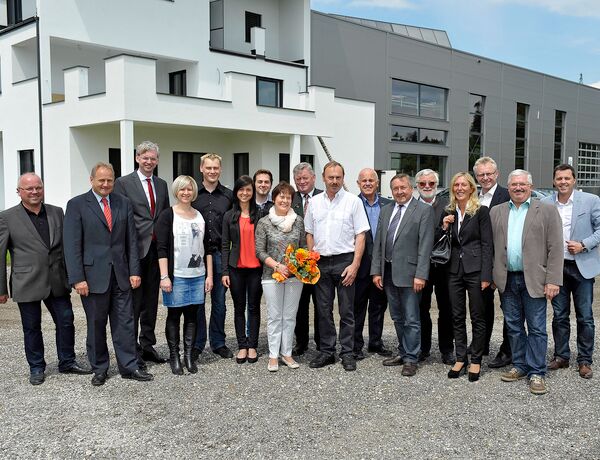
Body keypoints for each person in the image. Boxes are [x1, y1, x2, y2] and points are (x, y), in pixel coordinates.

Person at [64, 162, 153, 386]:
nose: (105, 184)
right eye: (101, 180)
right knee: (96, 324)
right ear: (91, 180)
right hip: (92, 278)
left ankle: (129, 366)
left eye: (109, 180)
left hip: (121, 275)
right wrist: (78, 278)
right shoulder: (76, 205)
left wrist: (134, 271)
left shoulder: (123, 203)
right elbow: (72, 245)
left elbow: (131, 240)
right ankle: (100, 368)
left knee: (125, 323)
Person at [0, 173, 91, 385]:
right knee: (32, 327)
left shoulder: (57, 212)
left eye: (38, 188)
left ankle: (67, 362)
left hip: (57, 279)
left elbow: (67, 247)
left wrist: (74, 277)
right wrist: (1, 289)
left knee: (66, 321)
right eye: (29, 188)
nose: (34, 192)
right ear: (19, 192)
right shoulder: (7, 217)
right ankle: (36, 367)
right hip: (27, 281)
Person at [490, 169, 563, 395]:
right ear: (508, 187)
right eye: (514, 185)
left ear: (530, 187)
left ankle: (537, 372)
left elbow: (556, 247)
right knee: (513, 326)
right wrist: (492, 276)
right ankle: (520, 365)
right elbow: (490, 246)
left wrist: (553, 280)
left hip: (535, 279)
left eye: (522, 184)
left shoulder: (547, 210)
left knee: (537, 328)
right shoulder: (497, 211)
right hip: (507, 279)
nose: (518, 188)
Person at [305, 161, 369, 372]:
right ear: (323, 178)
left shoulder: (353, 202)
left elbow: (361, 235)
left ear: (343, 178)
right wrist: (312, 259)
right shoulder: (314, 202)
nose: (334, 181)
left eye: (338, 177)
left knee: (347, 310)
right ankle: (327, 351)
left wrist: (355, 265)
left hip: (345, 262)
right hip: (321, 262)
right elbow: (309, 233)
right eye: (330, 177)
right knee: (323, 310)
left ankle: (348, 352)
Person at [371, 174, 434, 377]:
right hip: (388, 273)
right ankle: (403, 351)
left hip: (411, 274)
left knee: (411, 318)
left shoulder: (423, 210)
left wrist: (421, 275)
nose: (400, 192)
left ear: (411, 188)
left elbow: (425, 245)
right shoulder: (386, 210)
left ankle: (411, 359)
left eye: (403, 187)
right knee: (397, 316)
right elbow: (379, 243)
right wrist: (376, 271)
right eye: (396, 188)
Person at [114, 141, 170, 367]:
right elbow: (120, 218)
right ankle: (132, 349)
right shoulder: (123, 183)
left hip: (157, 251)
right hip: (135, 251)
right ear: (137, 158)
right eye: (145, 157)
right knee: (134, 303)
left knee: (151, 302)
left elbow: (164, 217)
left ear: (157, 160)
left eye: (153, 158)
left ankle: (147, 345)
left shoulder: (162, 184)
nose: (149, 161)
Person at [542, 164, 600, 379]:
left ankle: (585, 360)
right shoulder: (546, 203)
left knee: (585, 316)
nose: (563, 182)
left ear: (574, 180)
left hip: (582, 266)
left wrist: (584, 244)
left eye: (567, 178)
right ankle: (561, 356)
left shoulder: (591, 200)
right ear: (554, 181)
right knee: (559, 315)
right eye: (559, 178)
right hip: (556, 268)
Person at [156, 176, 213, 375]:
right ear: (176, 191)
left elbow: (208, 248)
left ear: (194, 191)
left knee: (192, 316)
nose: (186, 193)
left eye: (189, 189)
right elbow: (161, 248)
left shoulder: (199, 216)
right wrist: (164, 276)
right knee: (174, 315)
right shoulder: (167, 215)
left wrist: (209, 276)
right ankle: (175, 356)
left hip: (197, 275)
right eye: (182, 189)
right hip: (177, 275)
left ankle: (188, 356)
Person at [441, 172, 492, 382]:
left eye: (464, 185)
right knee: (457, 315)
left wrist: (486, 274)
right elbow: (441, 241)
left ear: (471, 188)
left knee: (477, 316)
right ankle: (461, 358)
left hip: (476, 270)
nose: (460, 188)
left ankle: (476, 359)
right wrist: (444, 226)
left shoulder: (481, 211)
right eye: (456, 185)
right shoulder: (449, 211)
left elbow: (487, 244)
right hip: (454, 270)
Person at [255, 181, 306, 372]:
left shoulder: (298, 221)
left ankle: (287, 353)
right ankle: (273, 355)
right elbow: (259, 251)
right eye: (281, 196)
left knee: (290, 316)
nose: (284, 200)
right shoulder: (264, 222)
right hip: (271, 276)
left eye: (288, 197)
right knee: (275, 316)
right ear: (274, 198)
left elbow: (303, 247)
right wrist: (277, 266)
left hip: (294, 277)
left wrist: (295, 266)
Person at [191, 153, 234, 360]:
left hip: (219, 254)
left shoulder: (228, 196)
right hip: (196, 255)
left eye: (215, 168)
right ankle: (197, 343)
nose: (212, 171)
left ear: (220, 169)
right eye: (208, 168)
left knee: (219, 301)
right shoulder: (192, 194)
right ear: (201, 168)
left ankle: (218, 342)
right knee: (198, 301)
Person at [473, 156, 512, 368]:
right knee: (482, 308)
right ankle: (482, 344)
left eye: (489, 173)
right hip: (481, 263)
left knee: (509, 309)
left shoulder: (507, 195)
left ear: (497, 174)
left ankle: (507, 350)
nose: (485, 177)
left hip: (504, 262)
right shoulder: (473, 197)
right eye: (481, 174)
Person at [415, 169, 455, 365]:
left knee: (446, 308)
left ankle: (447, 349)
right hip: (420, 267)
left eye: (431, 183)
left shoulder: (449, 207)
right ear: (417, 186)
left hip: (443, 266)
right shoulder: (412, 207)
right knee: (421, 308)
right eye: (423, 184)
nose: (427, 187)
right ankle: (423, 348)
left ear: (437, 185)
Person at [222, 176, 263, 364]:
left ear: (253, 192)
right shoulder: (229, 216)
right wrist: (224, 272)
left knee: (254, 307)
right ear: (236, 192)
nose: (245, 193)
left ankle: (252, 345)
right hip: (235, 268)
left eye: (248, 190)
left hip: (256, 269)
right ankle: (242, 346)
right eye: (241, 189)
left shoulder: (260, 215)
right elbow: (225, 245)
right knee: (239, 308)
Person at [353, 168, 392, 360]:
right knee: (357, 307)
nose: (368, 183)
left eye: (371, 180)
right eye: (364, 180)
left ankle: (375, 342)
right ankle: (355, 345)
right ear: (358, 183)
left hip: (381, 266)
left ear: (377, 183)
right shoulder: (352, 204)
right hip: (359, 265)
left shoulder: (388, 205)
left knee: (378, 306)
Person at [291, 162, 323, 356]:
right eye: (298, 179)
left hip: (320, 260)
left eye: (305, 178)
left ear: (313, 178)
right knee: (300, 305)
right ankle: (301, 342)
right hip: (298, 262)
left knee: (321, 305)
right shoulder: (290, 198)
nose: (302, 182)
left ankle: (322, 342)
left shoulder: (323, 197)